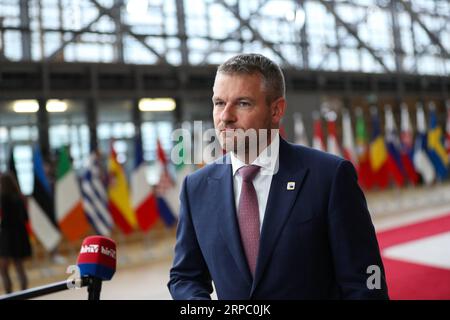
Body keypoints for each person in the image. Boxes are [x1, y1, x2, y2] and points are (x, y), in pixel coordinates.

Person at [168, 53, 388, 299]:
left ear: (276, 110)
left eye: (242, 103)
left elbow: (368, 279)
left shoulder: (330, 177)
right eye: (219, 103)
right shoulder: (196, 188)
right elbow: (185, 277)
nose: (225, 116)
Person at [0, 172, 32, 293]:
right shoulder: (20, 197)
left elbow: (5, 220)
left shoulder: (3, 198)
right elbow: (26, 218)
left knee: (3, 269)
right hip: (20, 236)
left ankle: (9, 294)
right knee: (19, 267)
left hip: (8, 236)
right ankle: (24, 293)